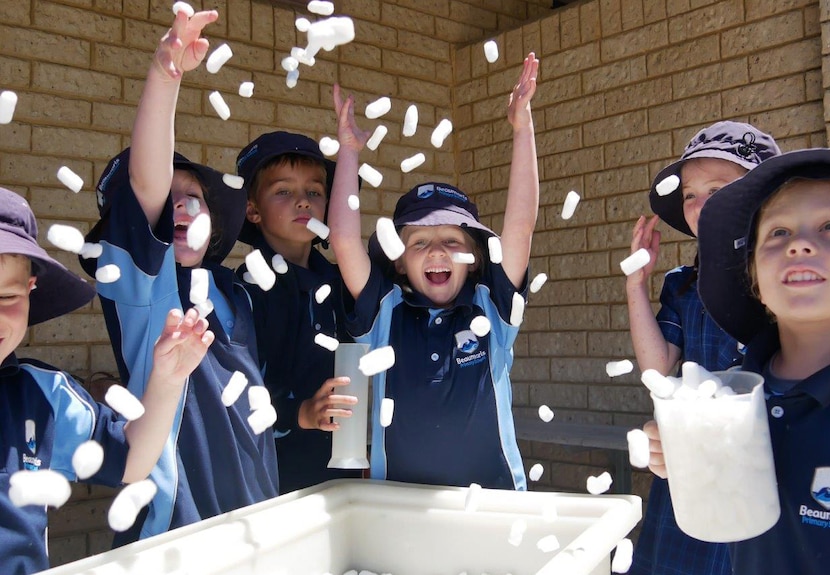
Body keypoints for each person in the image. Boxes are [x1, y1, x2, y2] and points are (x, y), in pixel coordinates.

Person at [80, 9, 277, 543]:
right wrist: (167, 76)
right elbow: (148, 183)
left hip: (255, 521)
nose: (179, 207)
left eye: (191, 197)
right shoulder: (140, 284)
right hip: (178, 529)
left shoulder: (236, 290)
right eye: (167, 202)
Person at [644, 147, 830, 575]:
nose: (799, 243)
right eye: (778, 233)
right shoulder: (727, 397)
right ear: (755, 281)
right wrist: (687, 455)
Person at [328, 53, 540, 490]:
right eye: (419, 243)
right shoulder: (384, 313)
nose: (436, 252)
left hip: (496, 504)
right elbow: (345, 241)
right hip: (400, 508)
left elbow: (520, 225)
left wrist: (523, 128)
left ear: (476, 257)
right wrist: (348, 152)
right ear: (399, 261)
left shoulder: (492, 310)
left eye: (452, 241)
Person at [0, 186, 213, 574]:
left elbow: (132, 460)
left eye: (6, 297)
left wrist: (167, 379)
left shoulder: (42, 396)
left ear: (31, 291)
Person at [626, 121, 780, 575]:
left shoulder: (789, 282)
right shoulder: (683, 285)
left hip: (766, 474)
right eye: (689, 194)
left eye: (718, 188)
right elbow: (659, 367)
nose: (699, 205)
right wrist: (637, 284)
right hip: (693, 475)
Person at [234, 131, 361, 493]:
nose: (303, 202)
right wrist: (300, 413)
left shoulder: (342, 281)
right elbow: (238, 395)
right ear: (252, 210)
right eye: (284, 191)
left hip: (342, 472)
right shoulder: (243, 292)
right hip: (274, 481)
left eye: (315, 192)